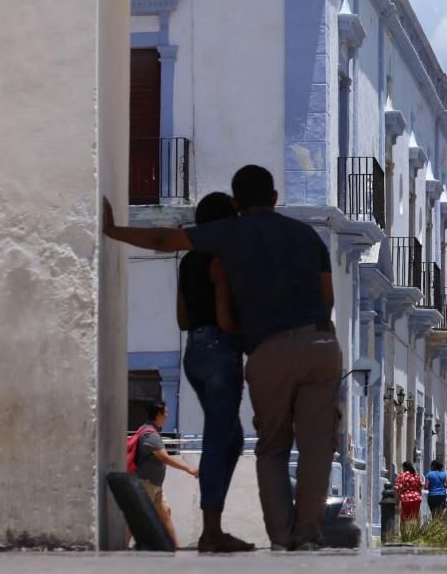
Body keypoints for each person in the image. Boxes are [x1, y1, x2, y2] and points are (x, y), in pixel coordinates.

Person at [102, 164, 340, 552]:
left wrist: (114, 231)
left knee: (272, 445)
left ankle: (282, 537)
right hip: (320, 345)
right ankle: (308, 534)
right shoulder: (307, 235)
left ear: (236, 202)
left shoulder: (232, 231)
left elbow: (166, 239)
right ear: (275, 198)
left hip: (267, 350)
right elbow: (327, 297)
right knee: (316, 445)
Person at [176, 192, 254, 553]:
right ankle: (212, 531)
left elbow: (182, 318)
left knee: (232, 439)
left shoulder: (188, 261)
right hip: (220, 351)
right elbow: (224, 317)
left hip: (193, 352)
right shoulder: (221, 261)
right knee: (216, 441)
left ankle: (214, 525)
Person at [133, 400, 199, 549]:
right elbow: (165, 458)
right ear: (158, 414)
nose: (167, 416)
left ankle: (176, 548)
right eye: (166, 413)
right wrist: (190, 469)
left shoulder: (150, 431)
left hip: (155, 485)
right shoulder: (150, 435)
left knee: (165, 513)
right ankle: (120, 546)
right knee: (137, 518)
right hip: (146, 484)